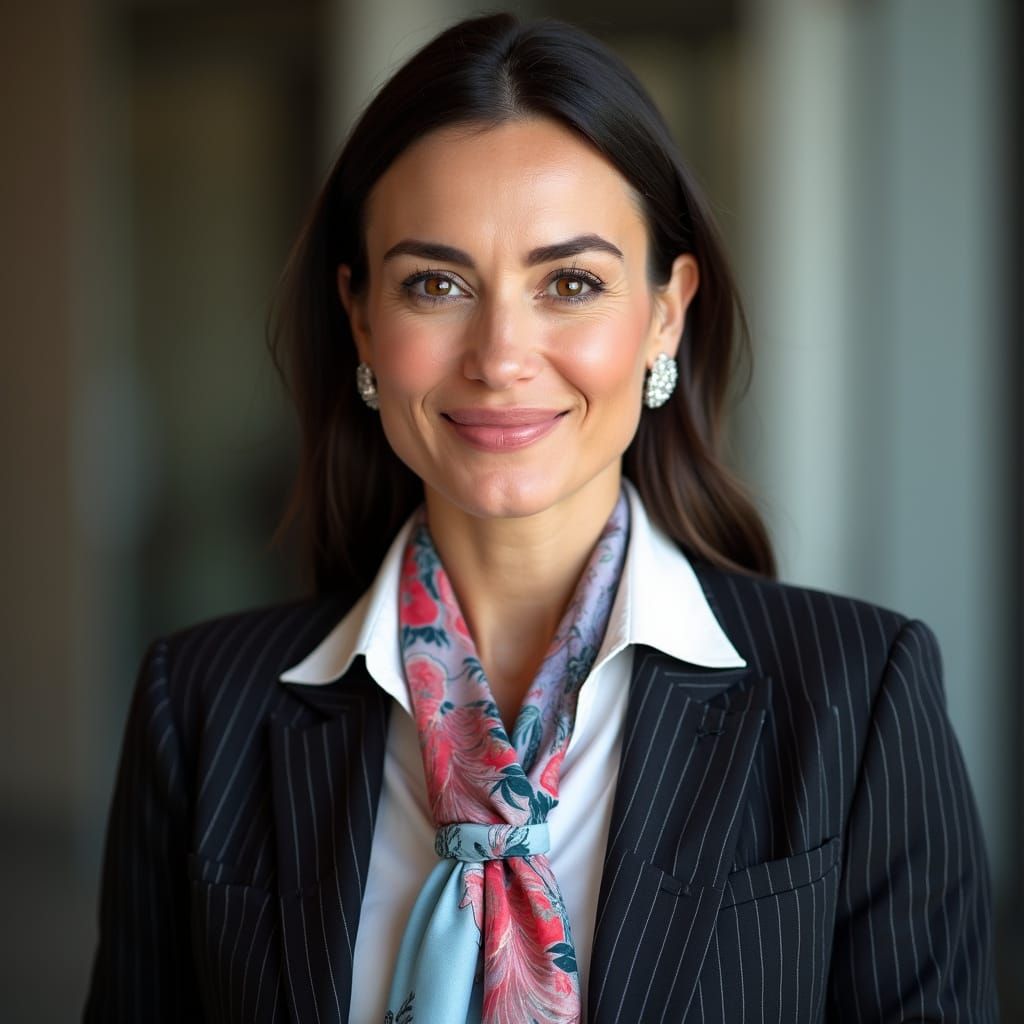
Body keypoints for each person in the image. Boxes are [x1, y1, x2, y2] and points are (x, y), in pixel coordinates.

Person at [83, 12, 997, 1024]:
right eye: (435, 284)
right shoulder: (201, 707)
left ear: (665, 311)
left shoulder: (857, 698)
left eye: (570, 283)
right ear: (360, 318)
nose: (501, 354)